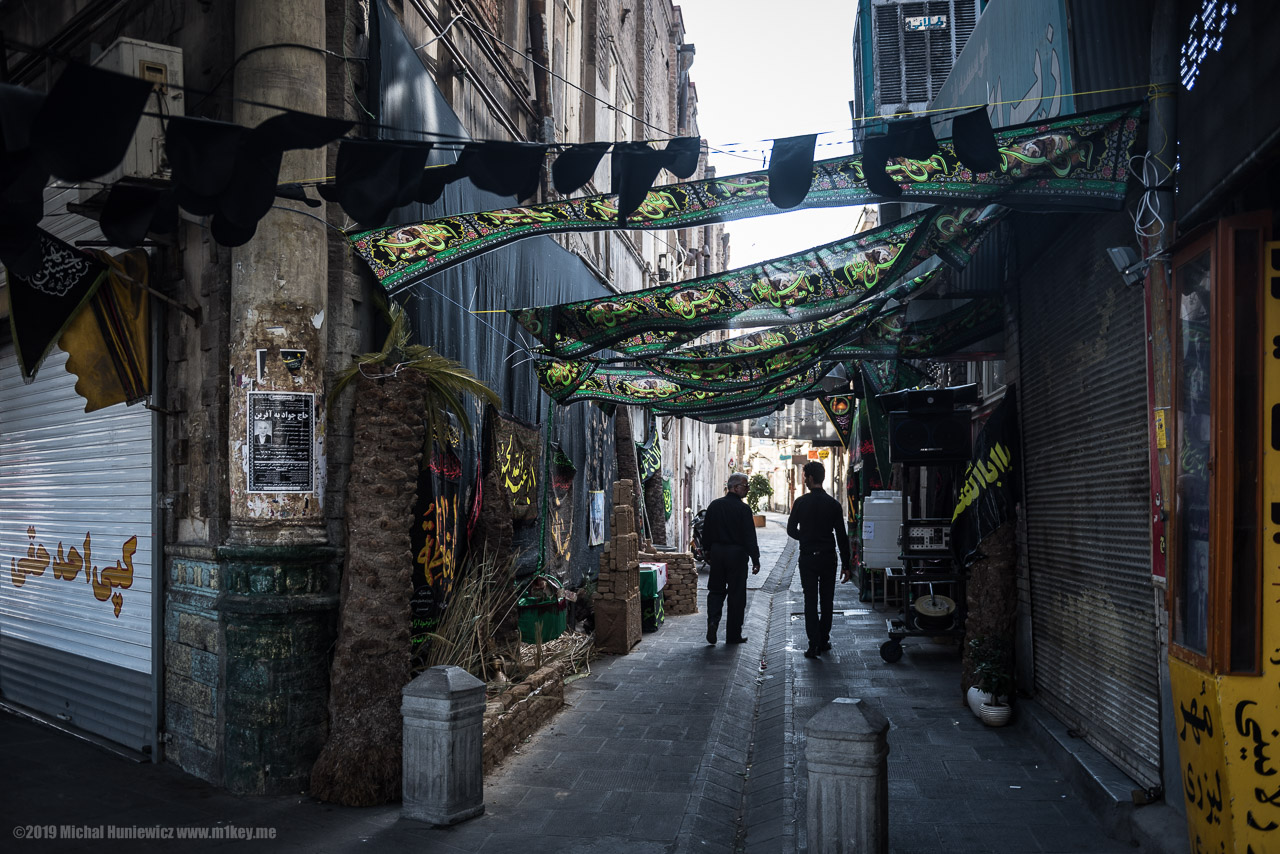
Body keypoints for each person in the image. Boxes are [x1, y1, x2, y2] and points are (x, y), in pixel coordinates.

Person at [787, 461, 851, 658]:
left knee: (810, 601)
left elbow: (791, 530)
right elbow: (841, 536)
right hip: (828, 558)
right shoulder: (833, 504)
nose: (804, 480)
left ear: (811, 478)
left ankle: (813, 644)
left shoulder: (800, 502)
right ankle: (823, 640)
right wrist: (846, 564)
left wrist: (805, 537)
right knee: (827, 600)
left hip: (808, 558)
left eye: (805, 477)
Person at [702, 472, 761, 645]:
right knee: (737, 595)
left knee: (716, 591)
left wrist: (707, 552)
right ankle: (733, 635)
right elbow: (749, 536)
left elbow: (706, 532)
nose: (748, 489)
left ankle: (713, 622)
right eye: (745, 486)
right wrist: (755, 559)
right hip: (737, 555)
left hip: (718, 553)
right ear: (735, 487)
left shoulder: (715, 505)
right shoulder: (743, 509)